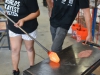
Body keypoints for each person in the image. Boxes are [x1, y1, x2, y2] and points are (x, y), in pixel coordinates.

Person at [4, 0, 40, 75]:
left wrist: (23, 20)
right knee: (14, 50)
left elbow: (36, 12)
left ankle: (31, 68)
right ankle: (15, 70)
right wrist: (8, 13)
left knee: (29, 48)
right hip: (13, 26)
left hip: (28, 28)